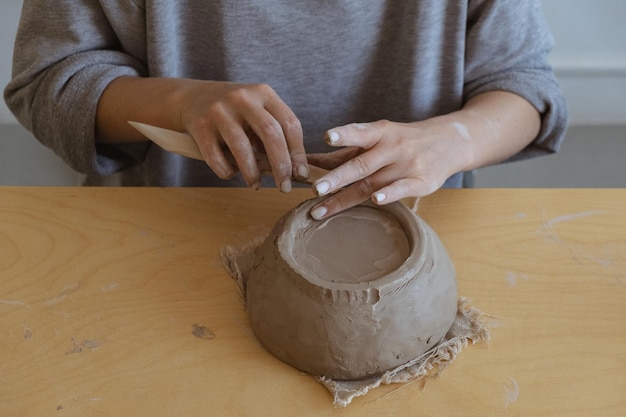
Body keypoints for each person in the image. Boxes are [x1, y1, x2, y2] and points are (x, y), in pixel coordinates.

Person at [4, 1, 567, 220]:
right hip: (163, 231)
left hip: (419, 232)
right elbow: (49, 80)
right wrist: (180, 101)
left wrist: (455, 140)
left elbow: (523, 88)